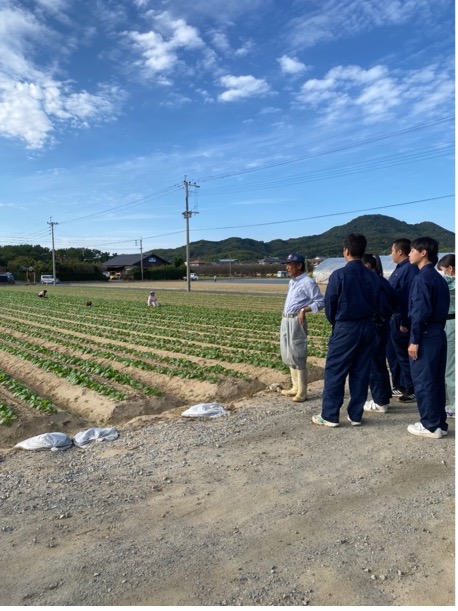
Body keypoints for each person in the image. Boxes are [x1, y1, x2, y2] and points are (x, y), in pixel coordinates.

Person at [312, 233, 387, 427]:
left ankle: (329, 415)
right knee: (361, 370)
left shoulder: (339, 275)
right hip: (368, 326)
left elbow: (330, 306)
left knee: (335, 370)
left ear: (346, 251)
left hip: (346, 327)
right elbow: (383, 304)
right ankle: (355, 415)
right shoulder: (372, 277)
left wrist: (337, 324)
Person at [406, 237, 450, 439]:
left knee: (423, 380)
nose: (409, 253)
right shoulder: (439, 278)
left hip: (424, 334)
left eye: (412, 250)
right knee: (436, 380)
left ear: (423, 253)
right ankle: (439, 422)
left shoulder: (422, 278)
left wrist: (414, 340)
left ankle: (430, 425)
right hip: (438, 333)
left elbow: (419, 312)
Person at [280, 252, 325, 402]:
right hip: (286, 320)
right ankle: (294, 387)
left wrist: (304, 310)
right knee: (288, 353)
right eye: (287, 264)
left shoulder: (307, 282)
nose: (287, 267)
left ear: (299, 266)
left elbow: (320, 301)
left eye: (290, 265)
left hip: (296, 321)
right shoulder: (293, 281)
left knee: (297, 352)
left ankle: (303, 391)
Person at [361, 254, 396, 413]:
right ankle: (384, 395)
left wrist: (377, 318)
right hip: (382, 326)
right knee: (380, 362)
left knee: (374, 364)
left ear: (368, 265)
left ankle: (380, 401)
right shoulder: (382, 281)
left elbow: (383, 307)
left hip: (375, 326)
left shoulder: (372, 282)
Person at [388, 238, 419, 402]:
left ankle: (411, 387)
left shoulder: (409, 270)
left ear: (400, 251)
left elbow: (406, 298)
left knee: (403, 355)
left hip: (401, 318)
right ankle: (400, 385)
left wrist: (403, 322)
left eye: (392, 250)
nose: (390, 254)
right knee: (395, 354)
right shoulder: (400, 268)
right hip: (395, 317)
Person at [437, 254, 455, 418]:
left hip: (450, 324)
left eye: (442, 270)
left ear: (450, 269)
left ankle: (454, 405)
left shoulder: (450, 282)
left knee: (450, 367)